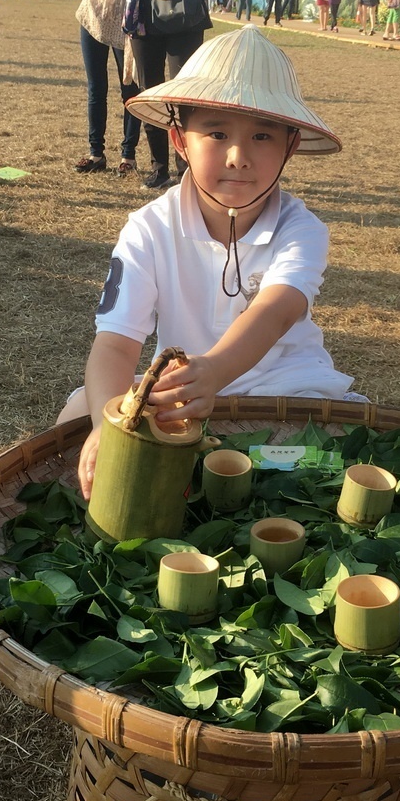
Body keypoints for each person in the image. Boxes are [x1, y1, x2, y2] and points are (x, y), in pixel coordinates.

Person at [57, 26, 357, 499]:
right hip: (183, 395)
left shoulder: (302, 230)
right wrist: (106, 427)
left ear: (290, 147)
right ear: (179, 140)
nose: (238, 157)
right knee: (76, 416)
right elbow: (116, 344)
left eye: (262, 136)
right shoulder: (148, 229)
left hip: (289, 390)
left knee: (323, 456)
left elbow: (274, 311)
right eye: (216, 133)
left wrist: (215, 370)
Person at [120, 0, 211, 191]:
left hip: (184, 7)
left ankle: (186, 171)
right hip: (144, 8)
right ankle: (159, 169)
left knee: (185, 94)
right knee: (150, 90)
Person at [74, 0, 140, 177]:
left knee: (130, 89)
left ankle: (128, 156)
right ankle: (96, 154)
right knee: (96, 88)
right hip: (93, 12)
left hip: (127, 17)